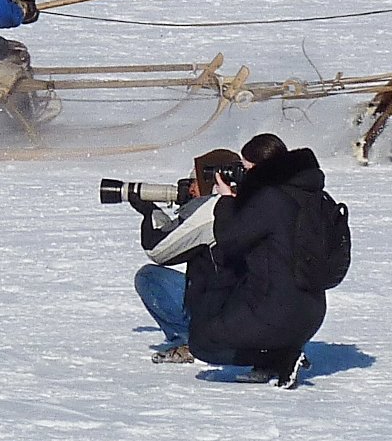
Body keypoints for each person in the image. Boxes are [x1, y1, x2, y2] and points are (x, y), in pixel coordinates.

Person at [184, 132, 332, 388]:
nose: (242, 174)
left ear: (260, 167)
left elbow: (229, 241)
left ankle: (281, 358)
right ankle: (274, 357)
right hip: (312, 312)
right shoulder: (311, 194)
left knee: (202, 343)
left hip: (272, 308)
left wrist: (227, 201)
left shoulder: (270, 199)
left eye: (245, 168)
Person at [131, 148, 247, 364]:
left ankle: (192, 342)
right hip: (263, 310)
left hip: (225, 312)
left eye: (193, 181)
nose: (190, 189)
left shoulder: (212, 208)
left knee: (148, 277)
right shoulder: (256, 201)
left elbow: (159, 250)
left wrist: (149, 212)